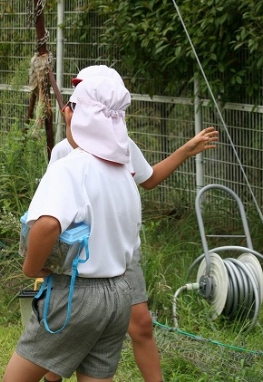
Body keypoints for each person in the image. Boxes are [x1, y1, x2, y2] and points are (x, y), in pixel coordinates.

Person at [43, 65, 219, 382]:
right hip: (81, 260)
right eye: (74, 100)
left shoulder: (122, 146)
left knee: (141, 324)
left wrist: (185, 151)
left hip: (122, 257)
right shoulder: (63, 154)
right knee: (64, 335)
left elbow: (147, 179)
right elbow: (50, 218)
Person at [3, 73, 142, 382]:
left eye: (70, 105)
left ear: (77, 114)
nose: (66, 110)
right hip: (119, 294)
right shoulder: (122, 172)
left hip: (77, 296)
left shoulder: (71, 167)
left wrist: (32, 269)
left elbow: (48, 224)